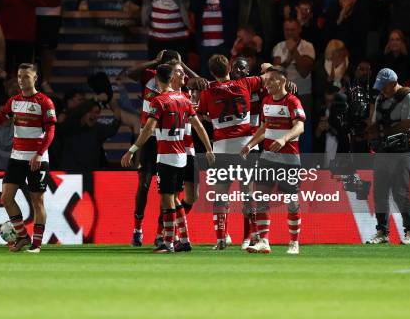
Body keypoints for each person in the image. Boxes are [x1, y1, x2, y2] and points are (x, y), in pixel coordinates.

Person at [121, 64, 215, 253]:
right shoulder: (184, 99)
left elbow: (148, 129)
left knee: (167, 201)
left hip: (166, 156)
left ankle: (168, 243)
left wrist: (132, 150)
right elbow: (199, 127)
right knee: (176, 199)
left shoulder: (159, 101)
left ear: (157, 80)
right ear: (172, 78)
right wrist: (208, 148)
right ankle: (185, 239)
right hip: (182, 155)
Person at [198, 55, 272, 250]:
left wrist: (212, 117)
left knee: (221, 194)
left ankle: (221, 239)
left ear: (213, 72)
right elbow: (271, 76)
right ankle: (255, 236)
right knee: (248, 193)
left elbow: (200, 113)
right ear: (229, 68)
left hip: (222, 147)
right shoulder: (246, 83)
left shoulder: (208, 90)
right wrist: (267, 66)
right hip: (245, 146)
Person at [0, 63, 57, 253]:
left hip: (37, 159)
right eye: (19, 76)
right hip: (16, 157)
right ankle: (23, 237)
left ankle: (37, 244)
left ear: (35, 79)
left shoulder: (44, 102)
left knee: (37, 201)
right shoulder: (13, 101)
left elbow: (51, 131)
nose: (21, 80)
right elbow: (1, 120)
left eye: (26, 76)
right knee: (6, 198)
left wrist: (39, 154)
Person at [241, 66, 306, 255]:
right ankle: (263, 241)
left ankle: (294, 243)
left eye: (271, 80)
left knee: (291, 201)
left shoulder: (292, 101)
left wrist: (284, 138)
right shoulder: (266, 101)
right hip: (268, 157)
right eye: (266, 80)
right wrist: (251, 144)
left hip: (289, 158)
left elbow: (300, 126)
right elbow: (264, 127)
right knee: (260, 197)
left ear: (282, 81)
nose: (266, 84)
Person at [365, 68, 410, 245]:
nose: (382, 89)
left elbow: (407, 123)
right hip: (384, 148)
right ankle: (382, 232)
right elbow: (375, 123)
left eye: (384, 86)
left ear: (393, 83)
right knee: (380, 191)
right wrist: (366, 130)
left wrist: (381, 131)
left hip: (404, 149)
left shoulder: (408, 96)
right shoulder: (380, 98)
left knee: (400, 191)